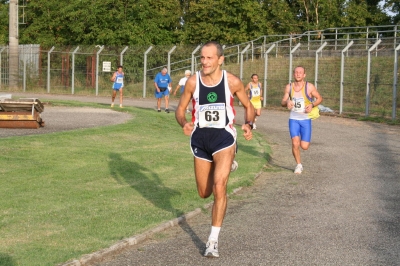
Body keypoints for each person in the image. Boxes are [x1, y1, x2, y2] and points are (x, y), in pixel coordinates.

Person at [175, 41, 255, 258]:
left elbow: (249, 106)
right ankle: (227, 165)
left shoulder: (232, 82)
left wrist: (249, 124)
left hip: (224, 138)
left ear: (220, 59)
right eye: (202, 57)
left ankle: (212, 241)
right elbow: (180, 109)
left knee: (220, 186)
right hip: (200, 139)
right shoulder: (193, 82)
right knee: (204, 192)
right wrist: (184, 123)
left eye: (210, 58)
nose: (205, 62)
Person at [281, 66, 323, 174]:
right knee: (295, 143)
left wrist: (312, 105)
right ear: (293, 74)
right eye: (296, 72)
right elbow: (283, 101)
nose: (298, 74)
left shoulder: (309, 87)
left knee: (304, 146)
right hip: (293, 119)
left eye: (300, 72)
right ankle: (298, 165)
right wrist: (287, 103)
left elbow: (319, 98)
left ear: (304, 75)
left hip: (305, 119)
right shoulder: (289, 87)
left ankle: (300, 154)